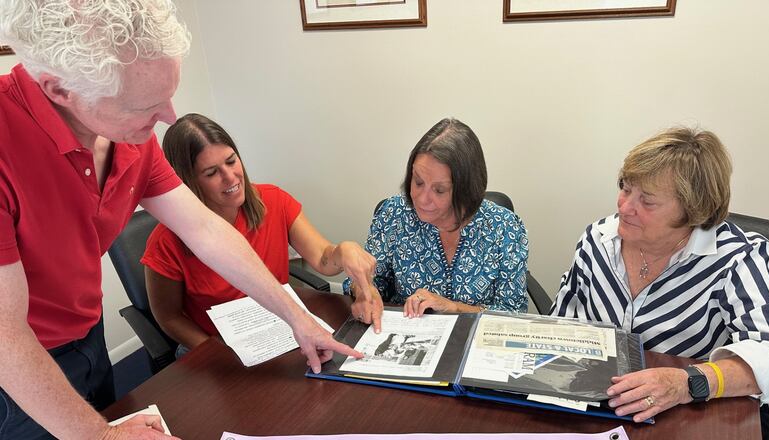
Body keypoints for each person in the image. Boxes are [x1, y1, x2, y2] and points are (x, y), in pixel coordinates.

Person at [0, 1, 359, 439]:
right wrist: (103, 436)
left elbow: (207, 230)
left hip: (84, 330)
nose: (169, 117)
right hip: (19, 363)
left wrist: (297, 319)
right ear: (60, 91)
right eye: (143, 104)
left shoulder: (128, 136)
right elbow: (6, 339)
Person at [551, 126, 769, 423]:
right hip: (600, 407)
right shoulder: (597, 239)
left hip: (687, 414)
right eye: (625, 188)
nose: (625, 207)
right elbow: (562, 324)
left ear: (693, 209)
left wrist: (686, 384)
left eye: (647, 201)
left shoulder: (737, 258)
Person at [141, 113, 382, 352]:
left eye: (231, 161)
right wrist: (215, 353)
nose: (230, 177)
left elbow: (323, 258)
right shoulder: (165, 241)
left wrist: (343, 250)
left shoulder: (274, 200)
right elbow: (169, 317)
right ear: (188, 182)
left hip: (279, 330)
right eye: (212, 173)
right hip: (215, 344)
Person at [345, 118, 529, 316]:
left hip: (474, 341)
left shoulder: (504, 227)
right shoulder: (395, 214)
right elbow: (368, 280)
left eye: (439, 190)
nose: (422, 199)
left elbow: (513, 313)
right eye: (418, 182)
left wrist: (453, 307)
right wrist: (364, 290)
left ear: (465, 190)